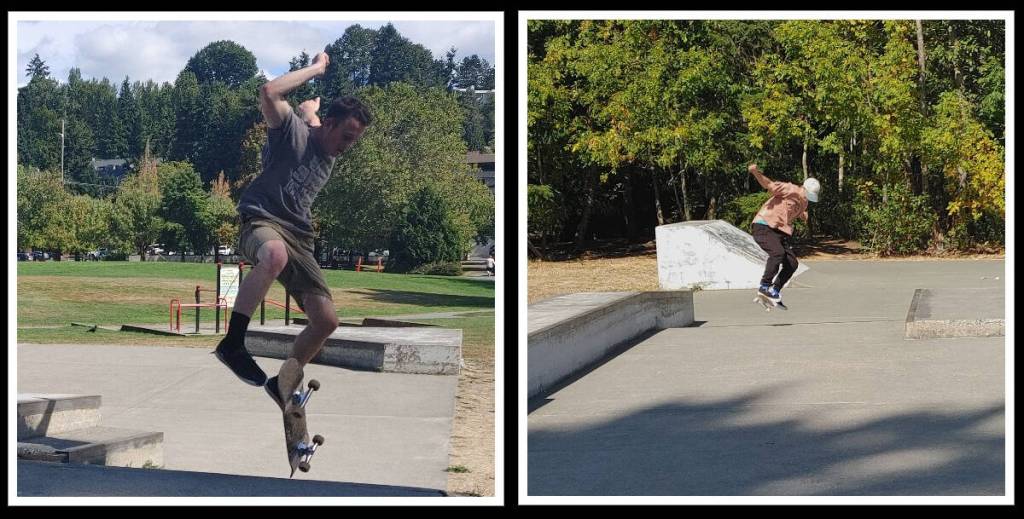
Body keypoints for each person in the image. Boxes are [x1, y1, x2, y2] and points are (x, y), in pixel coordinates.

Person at [214, 50, 372, 407]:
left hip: (300, 237)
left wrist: (311, 109)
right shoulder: (290, 132)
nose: (346, 147)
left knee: (327, 321)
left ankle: (284, 380)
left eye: (354, 141)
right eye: (345, 136)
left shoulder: (323, 138)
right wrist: (317, 69)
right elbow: (270, 92)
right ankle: (233, 343)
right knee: (274, 253)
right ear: (330, 124)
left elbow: (311, 116)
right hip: (261, 221)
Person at [747, 164, 821, 310]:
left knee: (792, 263)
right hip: (764, 225)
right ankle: (764, 286)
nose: (807, 198)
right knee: (778, 254)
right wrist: (755, 172)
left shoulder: (804, 202)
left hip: (779, 232)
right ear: (803, 188)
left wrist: (802, 214)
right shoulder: (790, 189)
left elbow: (793, 209)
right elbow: (768, 184)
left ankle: (774, 290)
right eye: (807, 194)